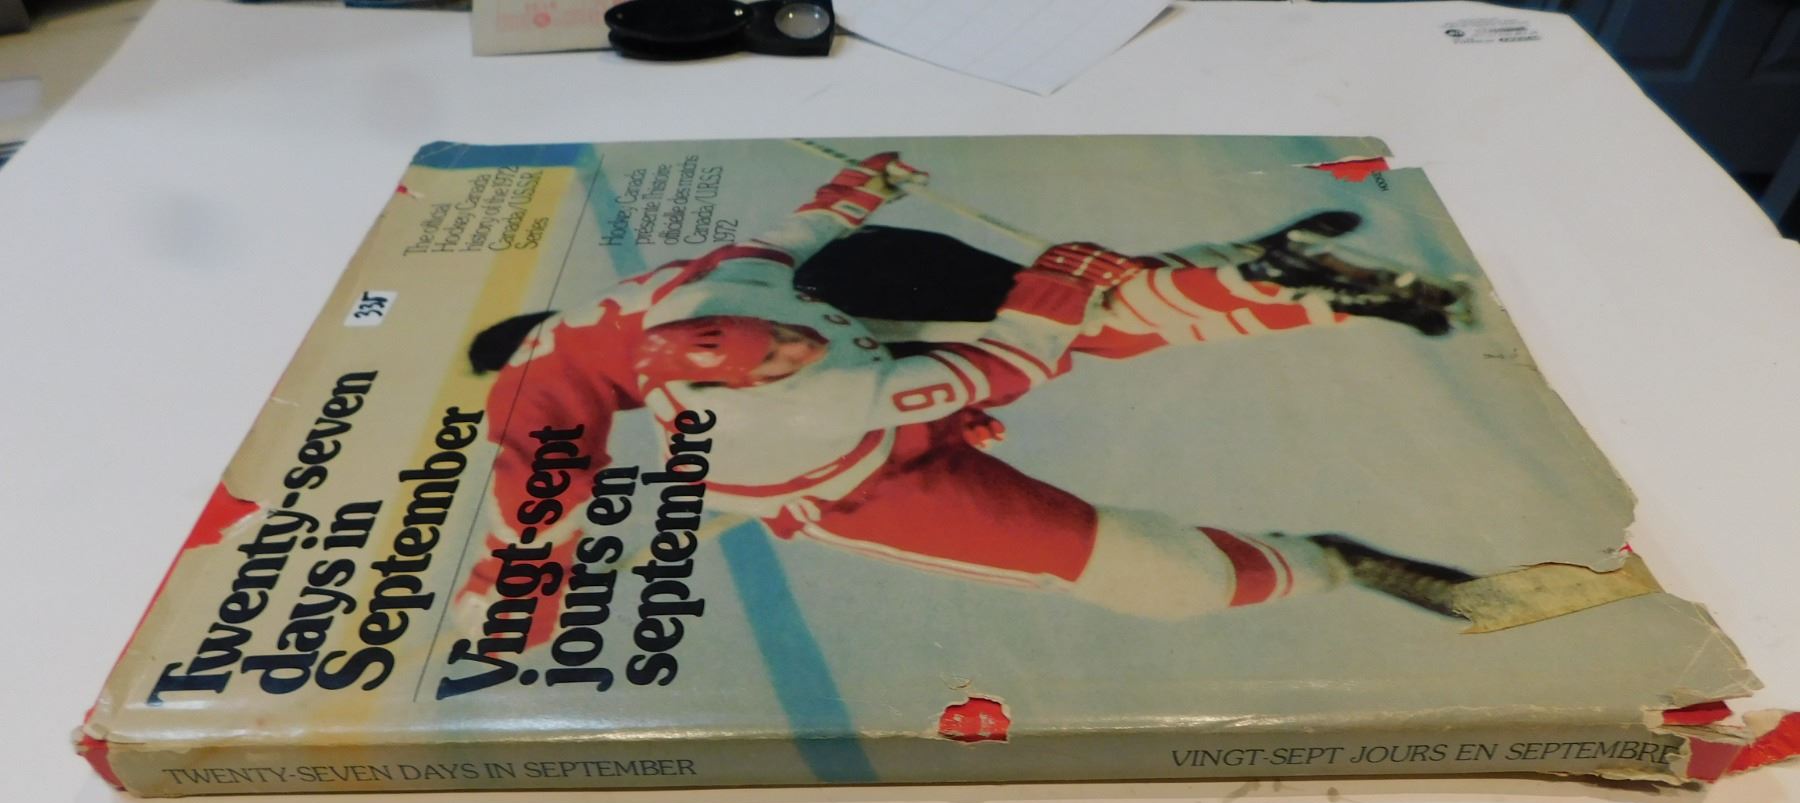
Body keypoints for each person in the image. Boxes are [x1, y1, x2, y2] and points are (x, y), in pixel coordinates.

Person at [460, 151, 1476, 639]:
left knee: (1156, 566)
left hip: (859, 434)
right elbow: (801, 242)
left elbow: (536, 500)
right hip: (853, 375)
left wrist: (511, 601)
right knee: (1097, 312)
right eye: (779, 358)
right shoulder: (716, 297)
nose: (790, 352)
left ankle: (1327, 556)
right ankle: (1261, 281)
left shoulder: (588, 361)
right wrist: (860, 193)